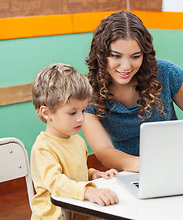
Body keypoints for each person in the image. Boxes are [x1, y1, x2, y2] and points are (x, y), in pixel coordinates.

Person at [83, 11, 183, 172]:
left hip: (179, 164)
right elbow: (104, 152)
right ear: (101, 55)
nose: (126, 66)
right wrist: (152, 166)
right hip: (132, 174)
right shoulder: (88, 93)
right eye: (116, 56)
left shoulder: (164, 73)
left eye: (135, 56)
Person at [30, 63, 119, 220]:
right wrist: (88, 191)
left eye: (83, 110)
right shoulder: (43, 148)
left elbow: (76, 173)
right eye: (72, 112)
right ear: (46, 113)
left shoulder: (77, 141)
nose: (80, 118)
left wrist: (93, 174)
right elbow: (56, 183)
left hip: (79, 213)